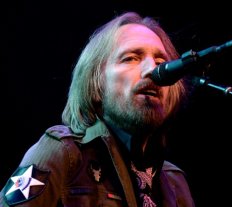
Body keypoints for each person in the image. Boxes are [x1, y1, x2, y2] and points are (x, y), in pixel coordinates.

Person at [0, 11, 195, 207]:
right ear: (96, 85)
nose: (153, 70)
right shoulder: (63, 154)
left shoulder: (174, 181)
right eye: (130, 58)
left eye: (161, 63)